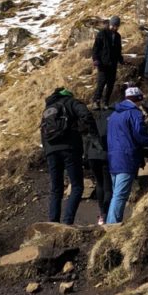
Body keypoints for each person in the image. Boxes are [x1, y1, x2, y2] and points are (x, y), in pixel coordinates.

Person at [106, 86, 148, 223]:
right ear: (139, 99)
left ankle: (110, 221)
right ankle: (112, 225)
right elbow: (140, 135)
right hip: (126, 157)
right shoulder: (134, 113)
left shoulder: (114, 114)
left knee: (116, 193)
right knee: (120, 195)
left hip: (113, 156)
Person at [40, 87, 96, 226]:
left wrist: (48, 151)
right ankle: (67, 222)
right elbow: (86, 115)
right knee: (77, 186)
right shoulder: (71, 102)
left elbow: (43, 132)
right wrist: (89, 133)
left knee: (56, 188)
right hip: (70, 148)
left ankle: (53, 222)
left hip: (51, 151)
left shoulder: (48, 110)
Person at [84, 106, 112, 225]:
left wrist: (86, 156)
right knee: (108, 186)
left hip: (92, 155)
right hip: (106, 154)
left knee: (99, 183)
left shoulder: (96, 120)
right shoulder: (114, 120)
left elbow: (88, 139)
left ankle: (101, 213)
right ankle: (106, 214)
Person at [91, 16, 125, 108]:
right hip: (103, 63)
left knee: (111, 83)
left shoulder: (118, 36)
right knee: (101, 82)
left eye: (117, 26)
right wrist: (95, 59)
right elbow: (96, 48)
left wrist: (121, 59)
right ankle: (96, 101)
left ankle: (105, 102)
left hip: (113, 63)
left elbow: (118, 50)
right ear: (110, 24)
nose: (115, 28)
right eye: (114, 25)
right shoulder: (102, 33)